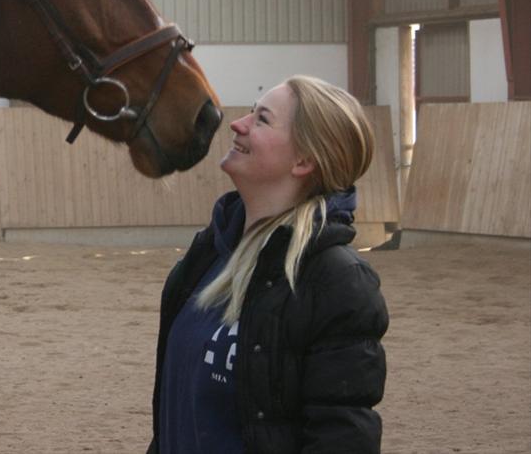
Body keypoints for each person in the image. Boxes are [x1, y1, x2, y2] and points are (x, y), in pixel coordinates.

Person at [147, 75, 388, 454]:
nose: (237, 124)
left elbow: (342, 436)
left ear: (304, 161)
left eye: (261, 120)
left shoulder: (336, 282)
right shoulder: (210, 250)